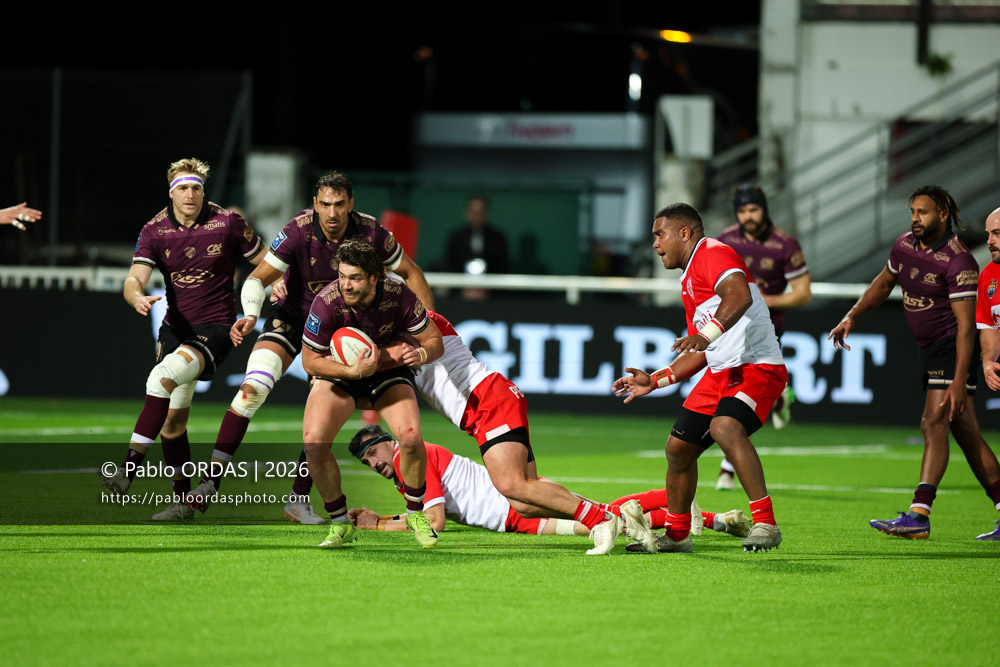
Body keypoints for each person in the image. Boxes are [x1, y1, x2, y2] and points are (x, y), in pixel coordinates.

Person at [182, 171, 434, 525]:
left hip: (342, 334)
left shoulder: (372, 233)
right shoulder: (298, 230)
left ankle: (298, 501)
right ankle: (209, 483)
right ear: (315, 204)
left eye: (340, 205)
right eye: (325, 205)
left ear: (351, 204)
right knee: (251, 390)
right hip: (293, 319)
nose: (332, 213)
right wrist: (252, 313)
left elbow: (412, 273)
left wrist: (422, 330)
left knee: (320, 414)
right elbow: (257, 278)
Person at [381, 310, 654, 555]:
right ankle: (622, 518)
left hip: (486, 399)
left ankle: (600, 520)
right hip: (488, 403)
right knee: (524, 503)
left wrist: (361, 357)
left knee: (511, 484)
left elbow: (388, 351)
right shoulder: (405, 326)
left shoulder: (414, 324)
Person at [613, 203, 786, 554]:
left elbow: (738, 295)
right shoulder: (690, 277)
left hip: (756, 366)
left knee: (725, 427)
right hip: (721, 372)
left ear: (684, 233)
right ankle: (678, 535)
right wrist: (655, 381)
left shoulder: (712, 253)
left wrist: (705, 336)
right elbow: (700, 350)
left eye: (659, 234)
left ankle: (766, 523)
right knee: (678, 449)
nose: (655, 243)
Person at [830, 185, 1000, 541]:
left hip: (952, 349)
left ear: (943, 214)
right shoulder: (904, 245)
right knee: (966, 433)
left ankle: (919, 514)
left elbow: (967, 327)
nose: (915, 219)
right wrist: (852, 315)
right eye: (912, 212)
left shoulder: (959, 261)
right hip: (929, 350)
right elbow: (883, 284)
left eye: (923, 212)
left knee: (933, 421)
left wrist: (959, 380)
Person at [100, 158, 265, 520]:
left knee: (160, 379)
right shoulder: (154, 230)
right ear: (171, 192)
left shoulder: (228, 222)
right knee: (172, 424)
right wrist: (136, 296)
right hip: (175, 330)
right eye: (183, 188)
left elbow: (268, 262)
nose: (190, 194)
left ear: (203, 192)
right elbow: (134, 279)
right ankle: (182, 502)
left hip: (216, 328)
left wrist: (275, 288)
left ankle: (127, 470)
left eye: (196, 188)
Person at [346, 425, 752, 539]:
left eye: (373, 453)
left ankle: (684, 503)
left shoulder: (410, 460)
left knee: (604, 520)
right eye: (366, 462)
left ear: (391, 442)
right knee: (606, 517)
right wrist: (382, 517)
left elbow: (433, 523)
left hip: (516, 507)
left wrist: (379, 526)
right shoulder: (408, 466)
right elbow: (428, 513)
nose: (373, 464)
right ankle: (716, 519)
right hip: (513, 511)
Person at [296, 239, 443, 549]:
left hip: (387, 371)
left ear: (375, 278)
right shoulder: (326, 302)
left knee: (411, 437)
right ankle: (340, 523)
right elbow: (309, 361)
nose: (346, 285)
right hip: (342, 371)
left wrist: (421, 354)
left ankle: (415, 515)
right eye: (342, 276)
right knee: (313, 442)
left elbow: (434, 341)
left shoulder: (399, 294)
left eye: (355, 278)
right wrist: (353, 371)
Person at [715, 184, 811, 489]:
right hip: (730, 328)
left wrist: (764, 300)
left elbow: (803, 293)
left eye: (753, 210)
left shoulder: (784, 244)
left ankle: (727, 470)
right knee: (731, 396)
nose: (748, 217)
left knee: (740, 398)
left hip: (767, 330)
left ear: (764, 209)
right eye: (742, 211)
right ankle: (780, 396)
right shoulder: (726, 240)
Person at [443, 194, 509, 299]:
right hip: (460, 296)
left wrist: (487, 289)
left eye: (480, 212)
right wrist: (462, 288)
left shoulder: (498, 238)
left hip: (492, 298)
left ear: (486, 213)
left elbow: (502, 268)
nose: (477, 217)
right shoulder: (456, 238)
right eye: (474, 212)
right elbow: (450, 266)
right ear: (467, 213)